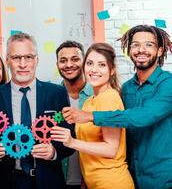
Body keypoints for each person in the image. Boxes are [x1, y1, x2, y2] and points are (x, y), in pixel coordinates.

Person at [60, 25, 172, 189]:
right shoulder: (126, 89)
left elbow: (144, 116)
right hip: (132, 175)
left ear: (160, 51)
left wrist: (91, 116)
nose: (141, 49)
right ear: (129, 50)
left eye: (149, 44)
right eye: (135, 44)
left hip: (162, 178)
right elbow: (118, 136)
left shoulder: (167, 84)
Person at [0, 33, 74, 189]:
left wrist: (53, 152)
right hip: (8, 182)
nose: (22, 64)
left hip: (48, 181)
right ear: (7, 60)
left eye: (28, 57)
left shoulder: (57, 93)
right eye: (16, 58)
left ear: (36, 60)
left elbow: (71, 138)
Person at [52, 43, 134, 189]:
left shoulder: (109, 97)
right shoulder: (89, 102)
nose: (94, 70)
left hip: (112, 182)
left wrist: (71, 142)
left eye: (101, 65)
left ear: (112, 70)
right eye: (90, 63)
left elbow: (111, 149)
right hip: (93, 183)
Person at [56, 41, 93, 189]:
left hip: (92, 179)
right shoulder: (52, 96)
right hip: (61, 179)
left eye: (75, 59)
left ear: (84, 61)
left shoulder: (98, 96)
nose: (69, 64)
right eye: (63, 60)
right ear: (57, 64)